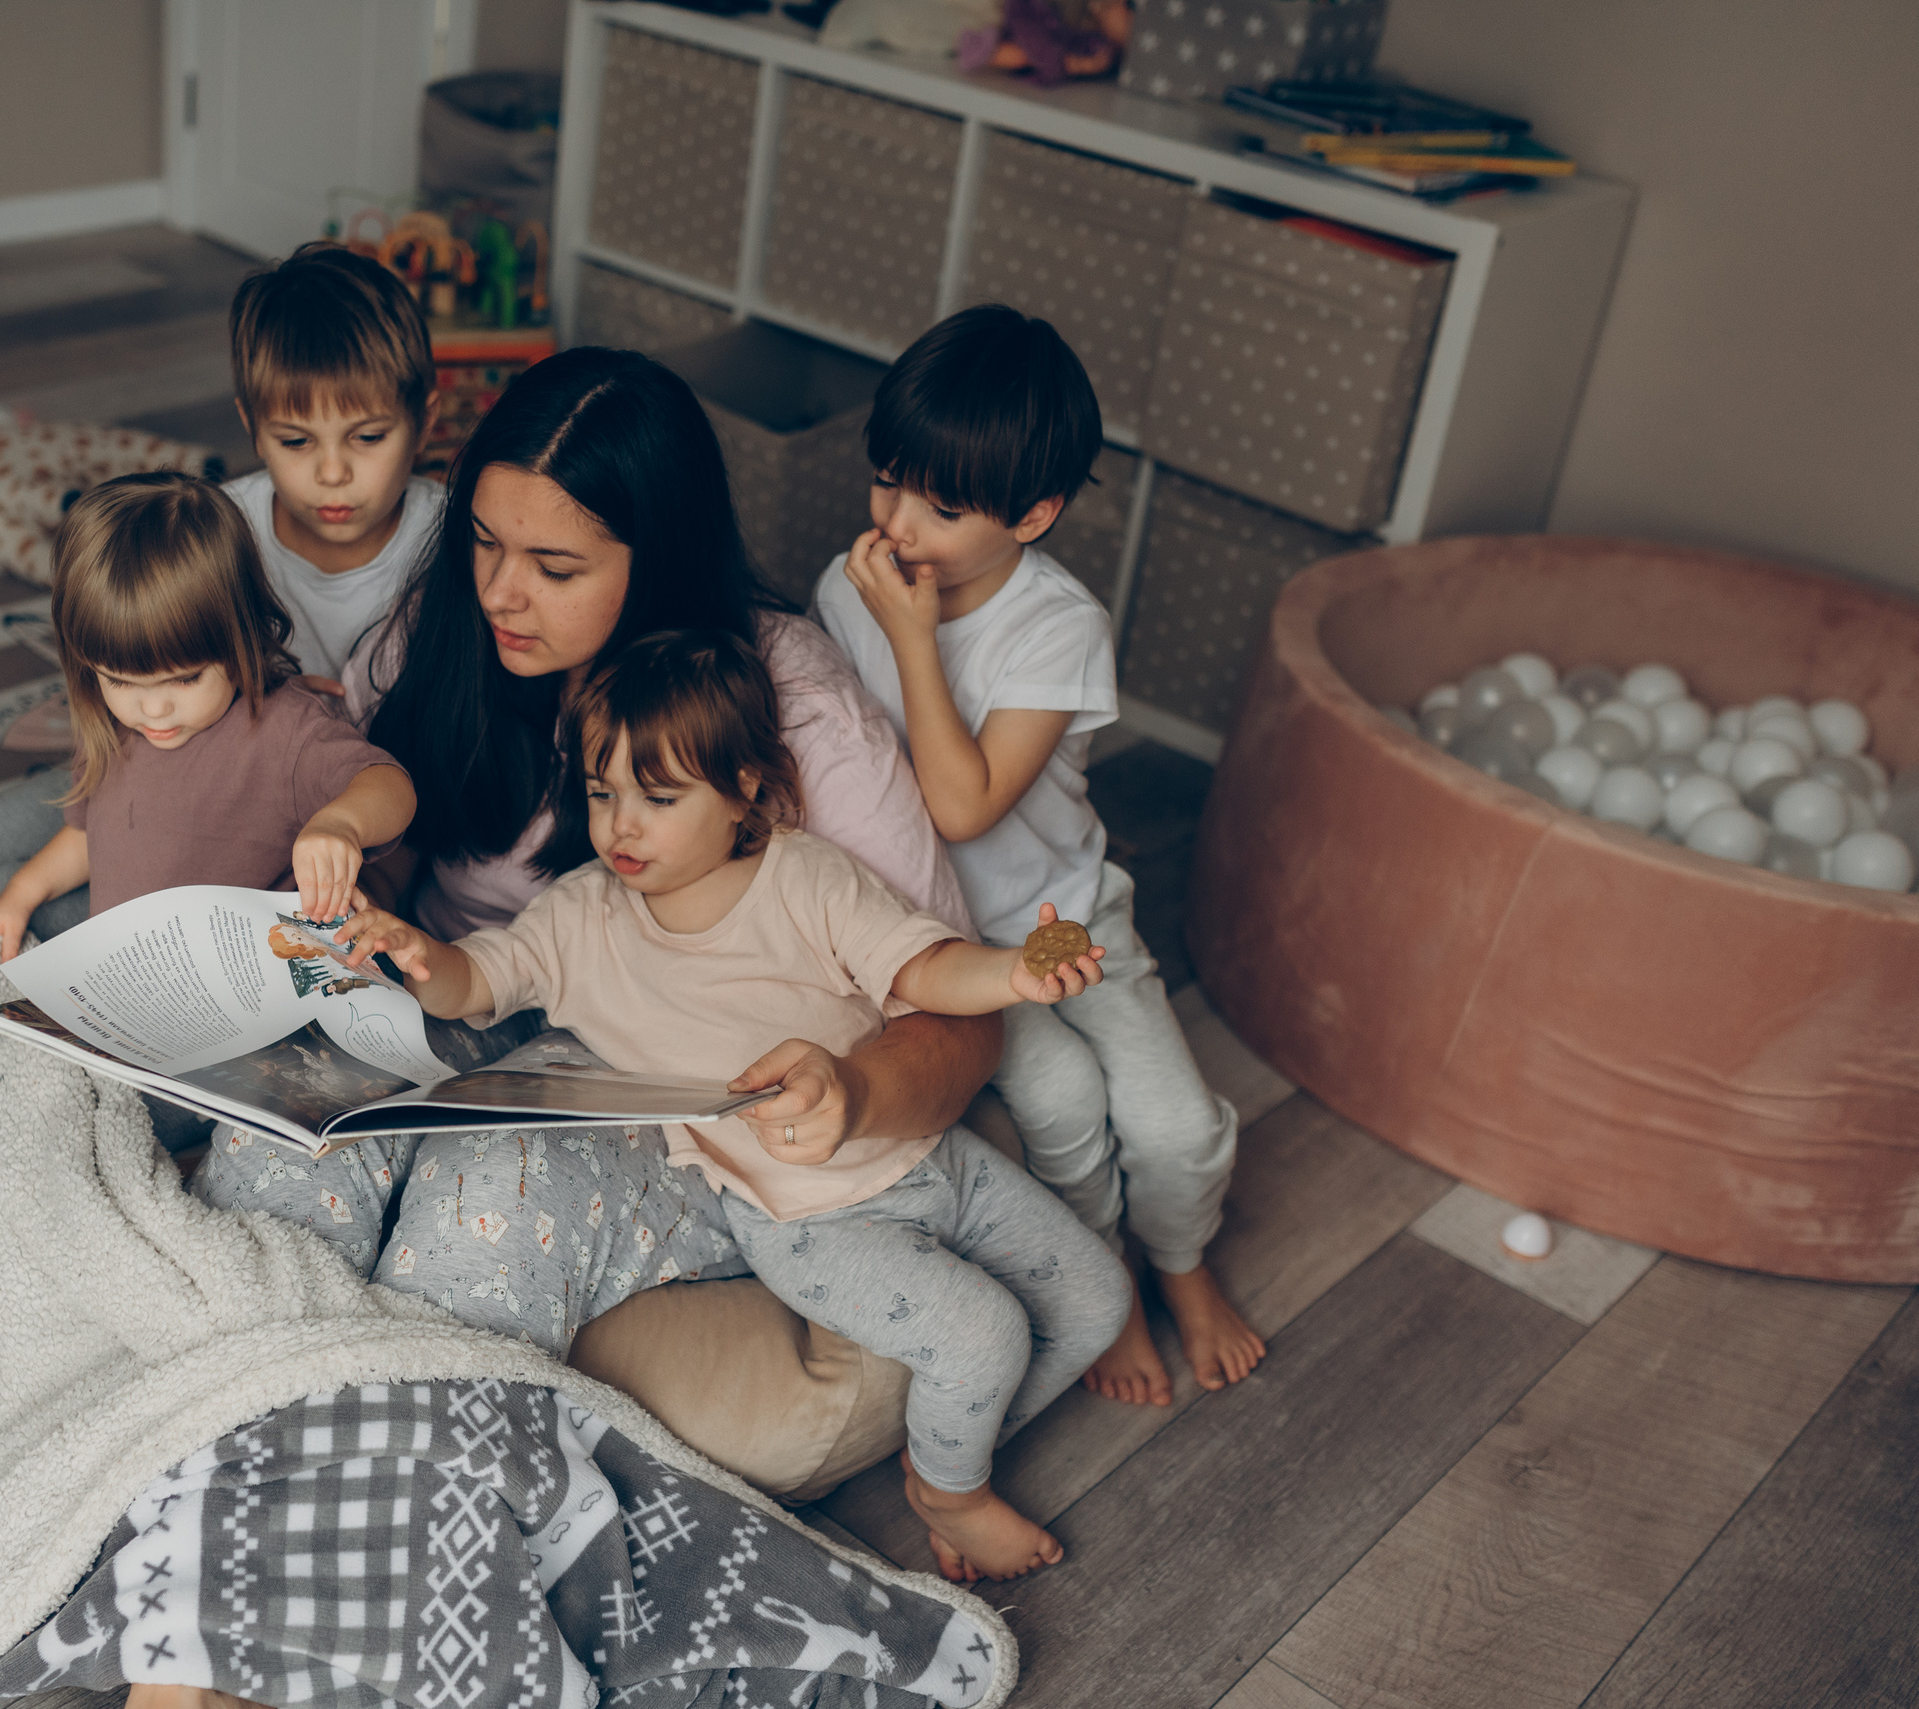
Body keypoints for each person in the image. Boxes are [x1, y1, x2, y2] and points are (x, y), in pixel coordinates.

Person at [192, 346, 1003, 1360]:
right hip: (463, 987)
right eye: (484, 544)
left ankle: (386, 1454)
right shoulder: (448, 626)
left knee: (480, 1207)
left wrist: (855, 1095)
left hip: (660, 1076)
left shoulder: (797, 710)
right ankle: (207, 1401)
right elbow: (390, 828)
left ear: (655, 561)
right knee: (275, 1167)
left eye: (556, 568)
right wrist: (345, 903)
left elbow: (957, 1019)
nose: (501, 595)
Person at [338, 630, 1127, 1582]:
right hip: (806, 1219)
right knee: (987, 1331)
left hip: (928, 1154)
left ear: (747, 789)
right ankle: (949, 1491)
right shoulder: (580, 919)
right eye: (601, 792)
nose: (622, 826)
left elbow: (922, 966)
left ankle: (951, 1436)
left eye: (659, 798)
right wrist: (417, 956)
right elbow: (479, 981)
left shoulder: (807, 875)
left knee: (1097, 1298)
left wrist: (1016, 972)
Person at [0, 242, 443, 1051]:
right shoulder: (212, 528)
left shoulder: (452, 549)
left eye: (366, 437)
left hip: (277, 818)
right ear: (250, 426)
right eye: (296, 442)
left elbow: (400, 777)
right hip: (144, 763)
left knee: (52, 925)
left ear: (423, 420)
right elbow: (129, 682)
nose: (333, 474)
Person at [815, 303, 1262, 1408]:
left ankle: (1183, 1263)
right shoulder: (849, 588)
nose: (900, 524)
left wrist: (915, 640)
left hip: (1063, 915)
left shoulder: (1055, 625)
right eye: (887, 481)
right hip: (945, 933)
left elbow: (964, 802)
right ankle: (1103, 1271)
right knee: (1058, 1099)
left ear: (1036, 513)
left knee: (1175, 1119)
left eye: (945, 505)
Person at [0, 473, 415, 1061]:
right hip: (110, 944)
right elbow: (87, 830)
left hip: (201, 996)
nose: (153, 707)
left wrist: (341, 824)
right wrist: (20, 895)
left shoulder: (287, 729)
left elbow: (390, 784)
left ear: (242, 632)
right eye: (120, 680)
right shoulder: (119, 721)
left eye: (185, 678)